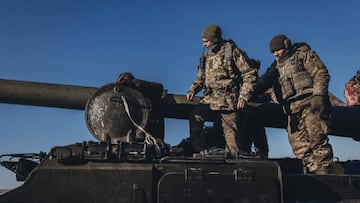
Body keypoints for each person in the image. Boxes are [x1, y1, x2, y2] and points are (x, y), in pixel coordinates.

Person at [254, 34, 333, 174]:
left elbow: (321, 73)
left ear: (286, 45)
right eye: (273, 52)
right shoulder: (276, 68)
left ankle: (324, 169)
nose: (276, 54)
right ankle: (314, 169)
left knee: (317, 138)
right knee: (298, 145)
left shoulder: (303, 55)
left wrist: (319, 95)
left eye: (278, 50)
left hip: (310, 103)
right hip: (292, 109)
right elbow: (266, 84)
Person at [186, 24, 257, 156]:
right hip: (210, 99)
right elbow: (200, 78)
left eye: (206, 41)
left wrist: (243, 97)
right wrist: (192, 90)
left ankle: (237, 162)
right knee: (195, 116)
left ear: (214, 39)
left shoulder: (232, 52)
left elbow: (249, 74)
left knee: (232, 137)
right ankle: (200, 152)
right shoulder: (206, 57)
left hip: (228, 100)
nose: (204, 45)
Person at [242, 59, 269, 158]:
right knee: (245, 145)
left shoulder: (261, 83)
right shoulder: (244, 83)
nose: (255, 71)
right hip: (246, 117)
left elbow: (270, 93)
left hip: (257, 117)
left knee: (260, 144)